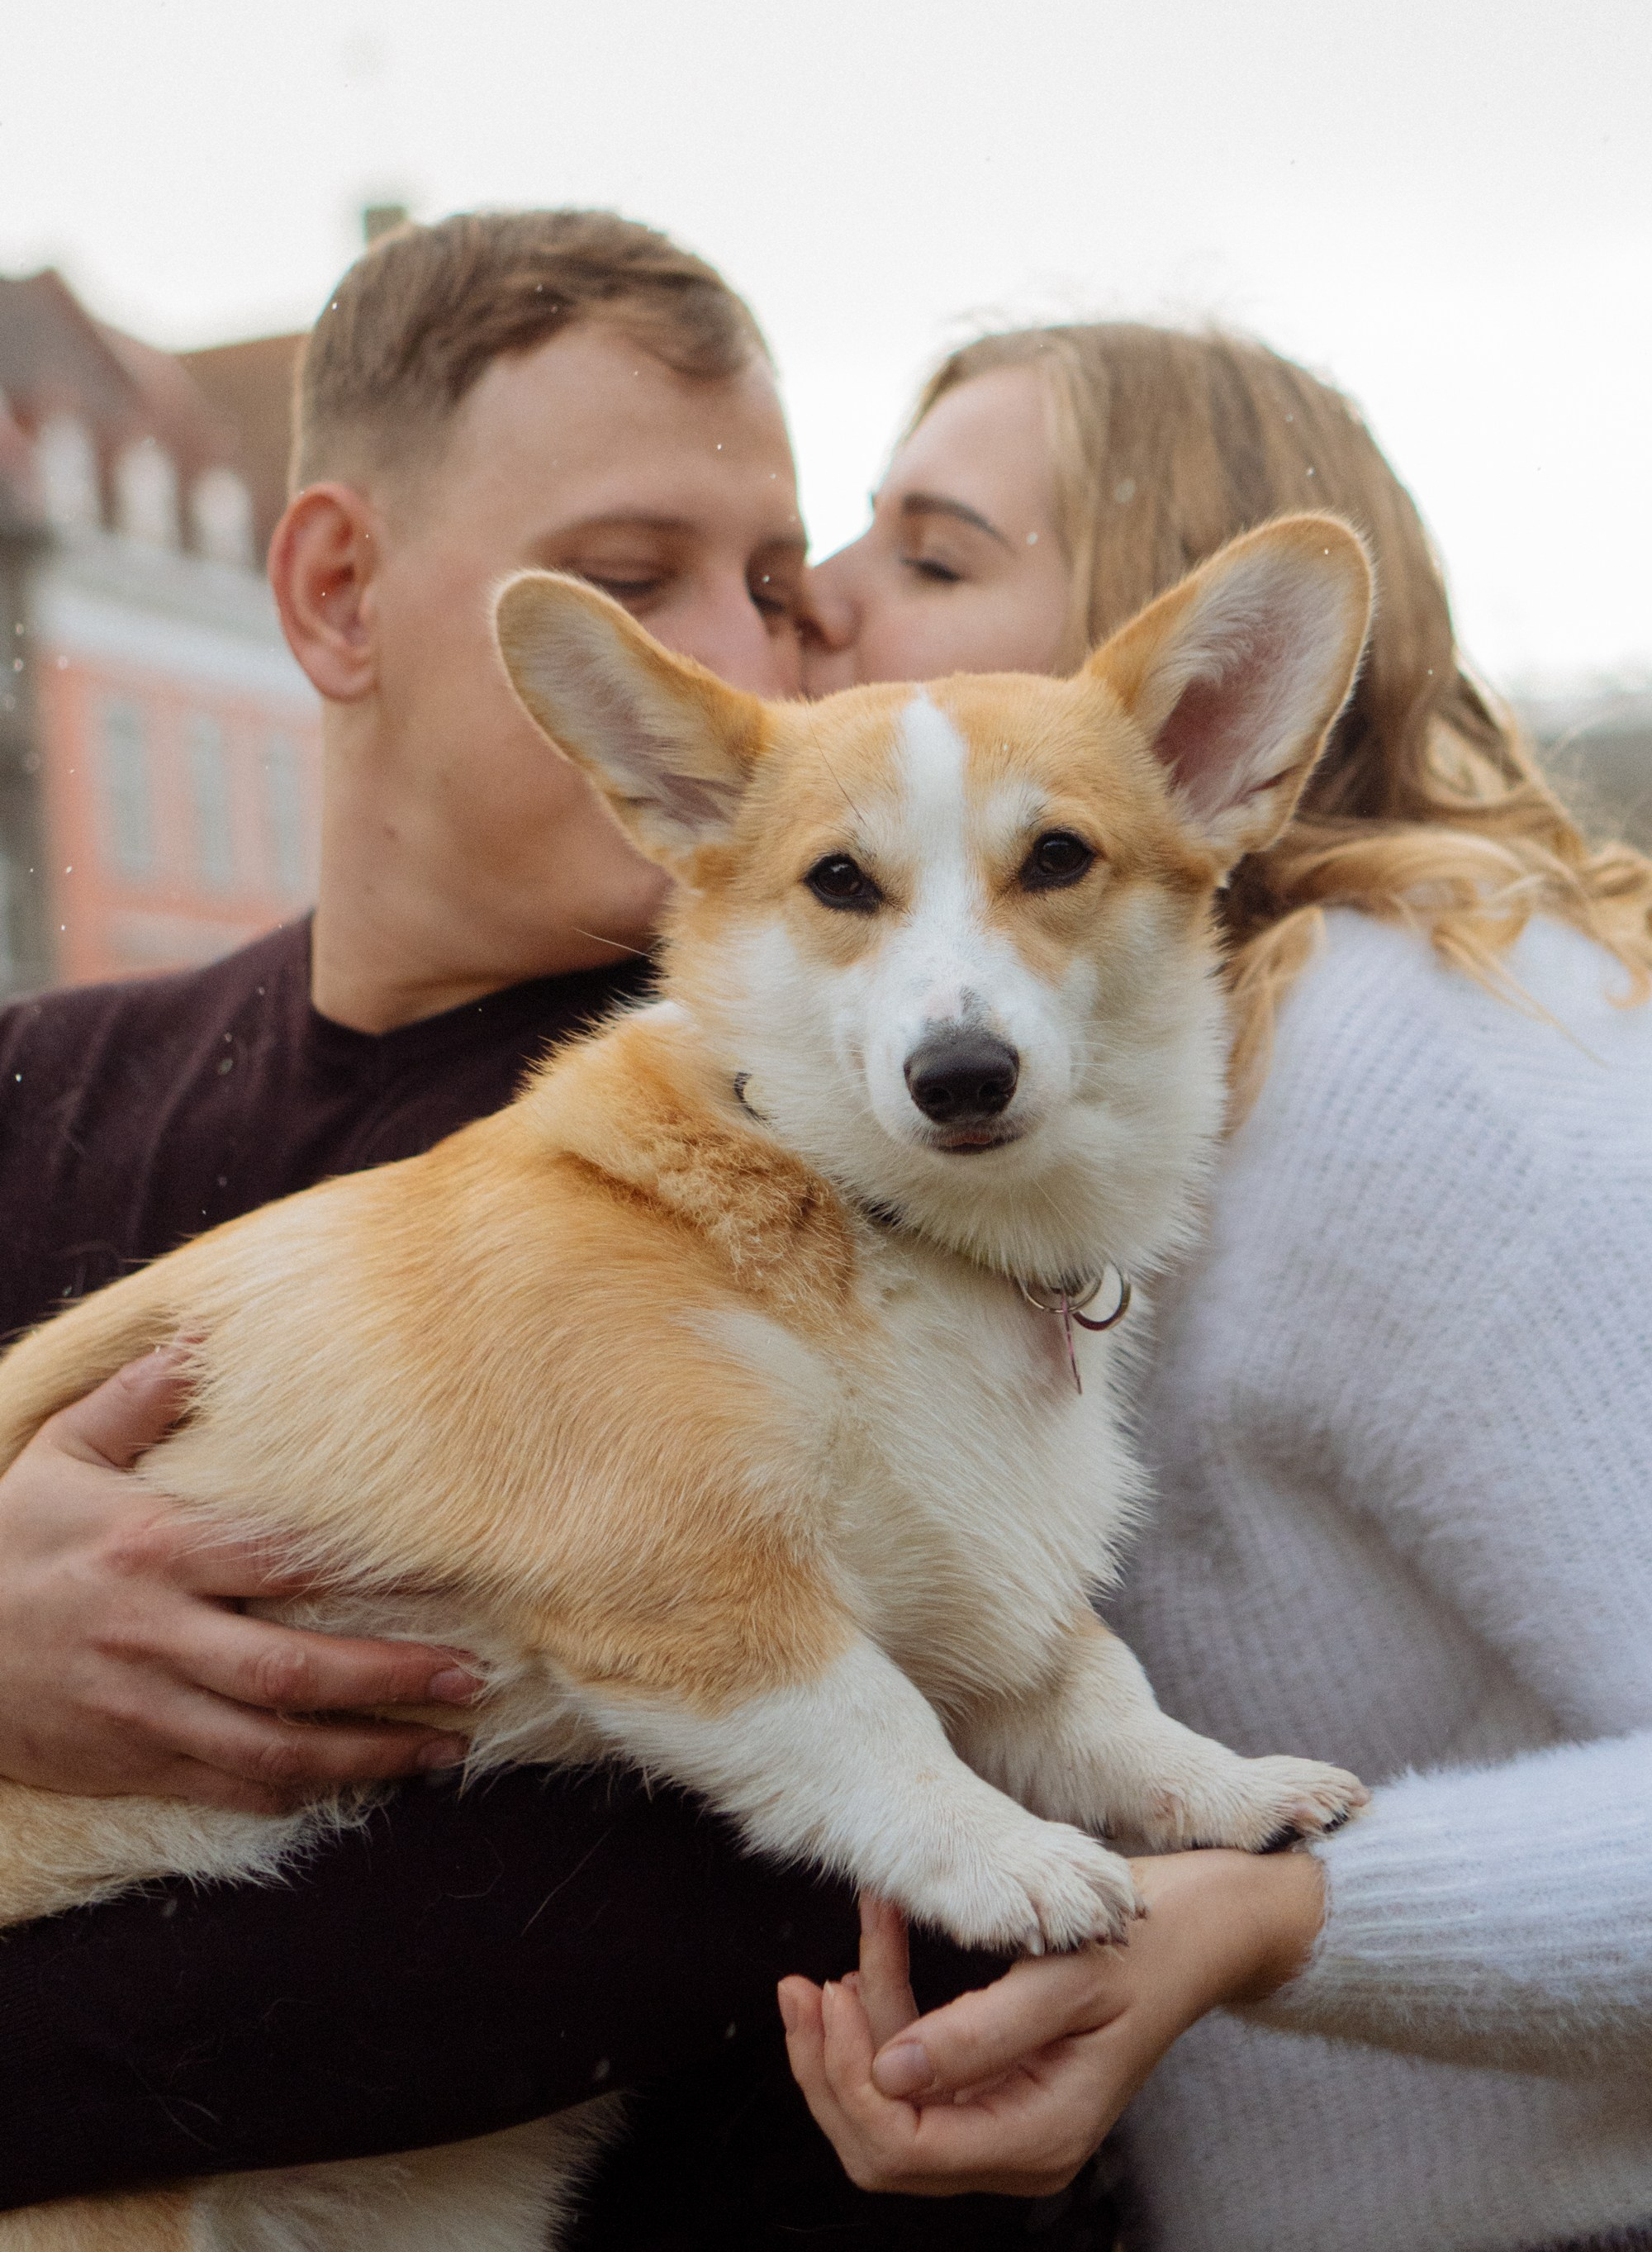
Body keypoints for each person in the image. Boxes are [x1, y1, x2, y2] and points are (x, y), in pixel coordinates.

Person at [0, 211, 1077, 2250]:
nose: (757, 664)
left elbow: (642, 1916)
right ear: (336, 594)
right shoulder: (30, 1085)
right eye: (634, 580)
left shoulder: (846, 1153)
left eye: (778, 585)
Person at [781, 322, 1652, 2252]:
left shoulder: (1418, 1053)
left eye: (929, 556)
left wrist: (1275, 1916)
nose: (816, 597)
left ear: (1195, 686)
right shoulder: (1062, 1099)